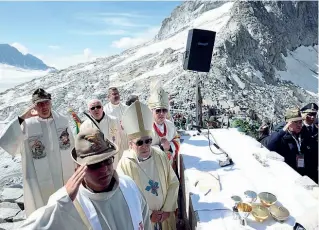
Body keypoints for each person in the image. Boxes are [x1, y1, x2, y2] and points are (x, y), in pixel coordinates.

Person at [20, 126, 152, 230]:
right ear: (78, 168)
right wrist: (61, 204)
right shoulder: (67, 203)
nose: (104, 169)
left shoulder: (128, 186)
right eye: (94, 165)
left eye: (108, 160)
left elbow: (145, 223)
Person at [0, 88, 75, 216]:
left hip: (63, 175)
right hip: (39, 179)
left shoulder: (62, 121)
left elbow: (73, 147)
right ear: (33, 106)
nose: (44, 106)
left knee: (68, 210)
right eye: (39, 104)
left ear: (51, 102)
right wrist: (23, 117)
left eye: (46, 102)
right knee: (44, 211)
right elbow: (6, 141)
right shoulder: (27, 125)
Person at [117, 101, 179, 230]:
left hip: (165, 217)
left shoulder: (160, 155)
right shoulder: (125, 164)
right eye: (139, 142)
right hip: (144, 220)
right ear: (130, 144)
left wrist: (167, 209)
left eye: (148, 141)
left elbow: (173, 182)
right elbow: (122, 197)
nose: (145, 146)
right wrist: (149, 215)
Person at [266, 108, 318, 183]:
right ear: (288, 123)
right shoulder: (282, 137)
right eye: (295, 122)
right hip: (288, 176)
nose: (299, 125)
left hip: (303, 176)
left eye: (300, 122)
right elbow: (269, 146)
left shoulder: (304, 134)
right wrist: (283, 130)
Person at [80, 99, 123, 168]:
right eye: (92, 108)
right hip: (96, 162)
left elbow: (122, 139)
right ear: (89, 111)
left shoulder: (115, 121)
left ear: (102, 108)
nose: (96, 109)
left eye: (98, 107)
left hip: (114, 158)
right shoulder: (84, 126)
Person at [148, 85, 180, 173]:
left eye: (164, 110)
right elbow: (142, 148)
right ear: (152, 111)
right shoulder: (146, 127)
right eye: (158, 110)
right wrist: (160, 148)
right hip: (153, 169)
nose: (161, 113)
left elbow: (177, 139)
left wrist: (170, 146)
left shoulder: (170, 125)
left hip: (170, 167)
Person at [104, 87, 129, 151]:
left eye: (117, 93)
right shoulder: (105, 110)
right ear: (108, 97)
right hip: (113, 140)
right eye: (114, 94)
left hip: (126, 139)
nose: (116, 95)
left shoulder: (126, 108)